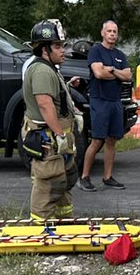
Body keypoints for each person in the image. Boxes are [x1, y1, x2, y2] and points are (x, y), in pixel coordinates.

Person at [21, 19, 79, 220]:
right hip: (48, 137)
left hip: (56, 136)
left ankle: (64, 222)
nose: (63, 50)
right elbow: (45, 105)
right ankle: (41, 228)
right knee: (48, 182)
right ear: (44, 49)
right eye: (57, 46)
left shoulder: (50, 68)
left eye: (62, 45)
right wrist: (60, 134)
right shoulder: (43, 70)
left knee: (63, 181)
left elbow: (55, 101)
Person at [78, 19, 132, 191]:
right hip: (99, 100)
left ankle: (107, 177)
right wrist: (116, 73)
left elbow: (128, 76)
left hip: (115, 101)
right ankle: (84, 177)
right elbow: (99, 73)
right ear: (102, 33)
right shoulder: (96, 51)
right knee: (97, 140)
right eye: (109, 31)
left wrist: (113, 70)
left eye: (115, 31)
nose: (112, 34)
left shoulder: (120, 55)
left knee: (111, 140)